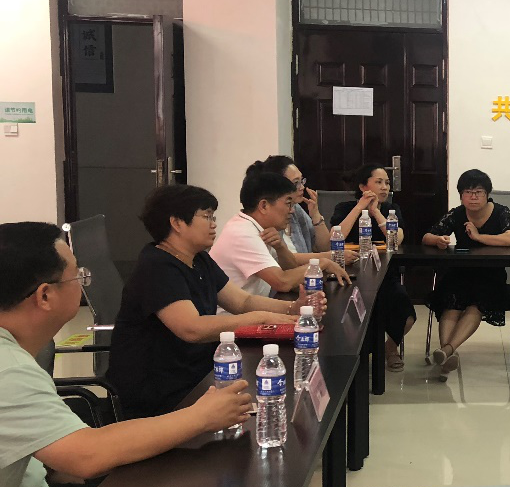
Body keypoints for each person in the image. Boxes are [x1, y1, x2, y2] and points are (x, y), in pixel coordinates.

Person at [0, 222, 251, 487]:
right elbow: (86, 456)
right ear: (44, 296)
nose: (83, 282)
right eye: (77, 276)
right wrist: (202, 417)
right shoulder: (8, 369)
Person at [107, 184, 306, 418]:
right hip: (159, 393)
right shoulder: (157, 267)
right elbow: (192, 329)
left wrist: (293, 308)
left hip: (198, 374)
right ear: (177, 223)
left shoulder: (199, 259)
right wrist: (260, 319)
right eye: (206, 216)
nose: (213, 224)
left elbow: (242, 302)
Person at [420, 169, 510, 367]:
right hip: (461, 271)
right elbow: (426, 237)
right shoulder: (457, 213)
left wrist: (478, 237)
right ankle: (446, 354)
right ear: (461, 195)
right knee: (451, 302)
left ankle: (446, 351)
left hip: (491, 274)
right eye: (468, 192)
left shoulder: (501, 212)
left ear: (487, 194)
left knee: (476, 304)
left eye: (478, 192)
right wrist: (438, 240)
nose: (473, 197)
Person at [211, 171, 347, 301]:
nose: (292, 211)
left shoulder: (259, 228)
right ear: (264, 206)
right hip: (237, 315)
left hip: (256, 309)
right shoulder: (243, 233)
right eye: (288, 204)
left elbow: (291, 271)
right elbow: (282, 282)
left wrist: (281, 247)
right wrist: (322, 263)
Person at [332, 163, 418, 371]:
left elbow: (396, 239)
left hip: (385, 276)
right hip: (351, 276)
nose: (384, 187)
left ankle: (390, 348)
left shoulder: (391, 209)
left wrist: (376, 213)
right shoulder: (344, 208)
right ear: (363, 186)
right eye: (378, 182)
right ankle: (360, 355)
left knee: (407, 316)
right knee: (355, 318)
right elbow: (336, 237)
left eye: (387, 183)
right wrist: (359, 208)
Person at [252, 155, 330, 255]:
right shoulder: (270, 212)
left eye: (302, 181)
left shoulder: (296, 209)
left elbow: (324, 247)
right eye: (296, 183)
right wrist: (327, 257)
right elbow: (287, 259)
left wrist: (316, 214)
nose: (302, 187)